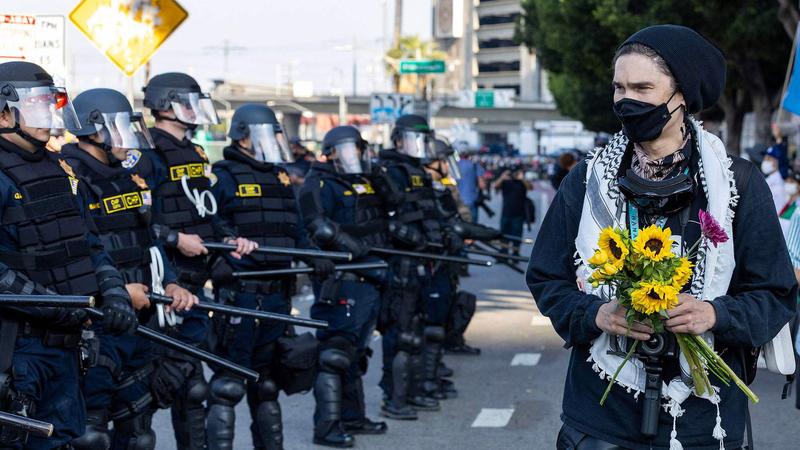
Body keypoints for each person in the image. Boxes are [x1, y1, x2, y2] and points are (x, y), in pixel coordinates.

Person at [527, 25, 797, 450]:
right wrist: (596, 315)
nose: (625, 101)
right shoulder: (587, 179)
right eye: (619, 87)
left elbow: (776, 294)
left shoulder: (739, 183)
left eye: (642, 87)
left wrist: (713, 315)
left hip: (706, 423)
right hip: (600, 418)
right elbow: (546, 278)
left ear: (682, 96)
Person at [0, 61, 138, 450]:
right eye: (37, 105)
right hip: (16, 350)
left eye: (51, 103)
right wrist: (50, 304)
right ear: (4, 111)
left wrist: (115, 294)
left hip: (67, 345)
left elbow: (90, 246)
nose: (50, 115)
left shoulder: (61, 168)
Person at [62, 88, 197, 450]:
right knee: (90, 436)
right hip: (98, 323)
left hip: (140, 320)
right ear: (93, 132)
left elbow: (148, 240)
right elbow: (77, 255)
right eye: (118, 128)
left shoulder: (127, 176)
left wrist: (170, 283)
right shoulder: (70, 178)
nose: (128, 138)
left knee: (139, 432)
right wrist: (120, 291)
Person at [141, 72, 256, 450]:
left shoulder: (196, 151)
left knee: (192, 385)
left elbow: (205, 209)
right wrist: (175, 238)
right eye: (186, 102)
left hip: (194, 279)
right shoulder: (146, 152)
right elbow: (134, 219)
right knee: (147, 388)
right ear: (165, 105)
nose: (194, 110)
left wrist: (226, 238)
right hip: (161, 283)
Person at [207, 103, 326, 450]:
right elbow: (211, 225)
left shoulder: (280, 176)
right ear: (243, 136)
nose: (271, 140)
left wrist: (313, 255)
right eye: (264, 133)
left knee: (267, 385)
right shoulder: (223, 175)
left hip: (277, 297)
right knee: (228, 385)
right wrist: (228, 245)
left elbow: (296, 230)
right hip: (242, 297)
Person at [299, 125, 390, 447]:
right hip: (342, 280)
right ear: (331, 151)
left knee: (355, 354)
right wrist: (350, 244)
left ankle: (353, 416)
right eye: (349, 149)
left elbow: (392, 207)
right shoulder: (318, 182)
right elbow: (313, 224)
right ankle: (326, 427)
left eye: (358, 149)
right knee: (334, 354)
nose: (356, 155)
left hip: (369, 279)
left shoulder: (361, 181)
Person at [374, 114, 467, 419]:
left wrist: (447, 235)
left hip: (425, 261)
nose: (418, 147)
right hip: (401, 262)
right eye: (413, 139)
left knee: (417, 333)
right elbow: (382, 218)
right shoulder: (386, 171)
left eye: (422, 141)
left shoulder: (419, 173)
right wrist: (407, 236)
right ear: (398, 139)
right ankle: (395, 398)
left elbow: (432, 214)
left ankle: (413, 391)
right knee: (401, 335)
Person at [493, 167, 532, 256]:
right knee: (503, 235)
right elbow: (495, 186)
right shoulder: (506, 183)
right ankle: (504, 252)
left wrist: (523, 178)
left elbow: (530, 187)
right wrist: (503, 176)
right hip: (506, 213)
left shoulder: (522, 183)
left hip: (518, 213)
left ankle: (516, 252)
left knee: (517, 235)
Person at [455, 153, 487, 223]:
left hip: (456, 201)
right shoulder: (474, 165)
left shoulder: (453, 165)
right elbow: (483, 185)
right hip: (471, 200)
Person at [763, 134, 789, 214]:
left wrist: (778, 139)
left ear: (776, 161)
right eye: (765, 159)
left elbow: (782, 157)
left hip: (781, 219)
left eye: (769, 159)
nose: (766, 161)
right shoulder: (765, 179)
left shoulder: (781, 176)